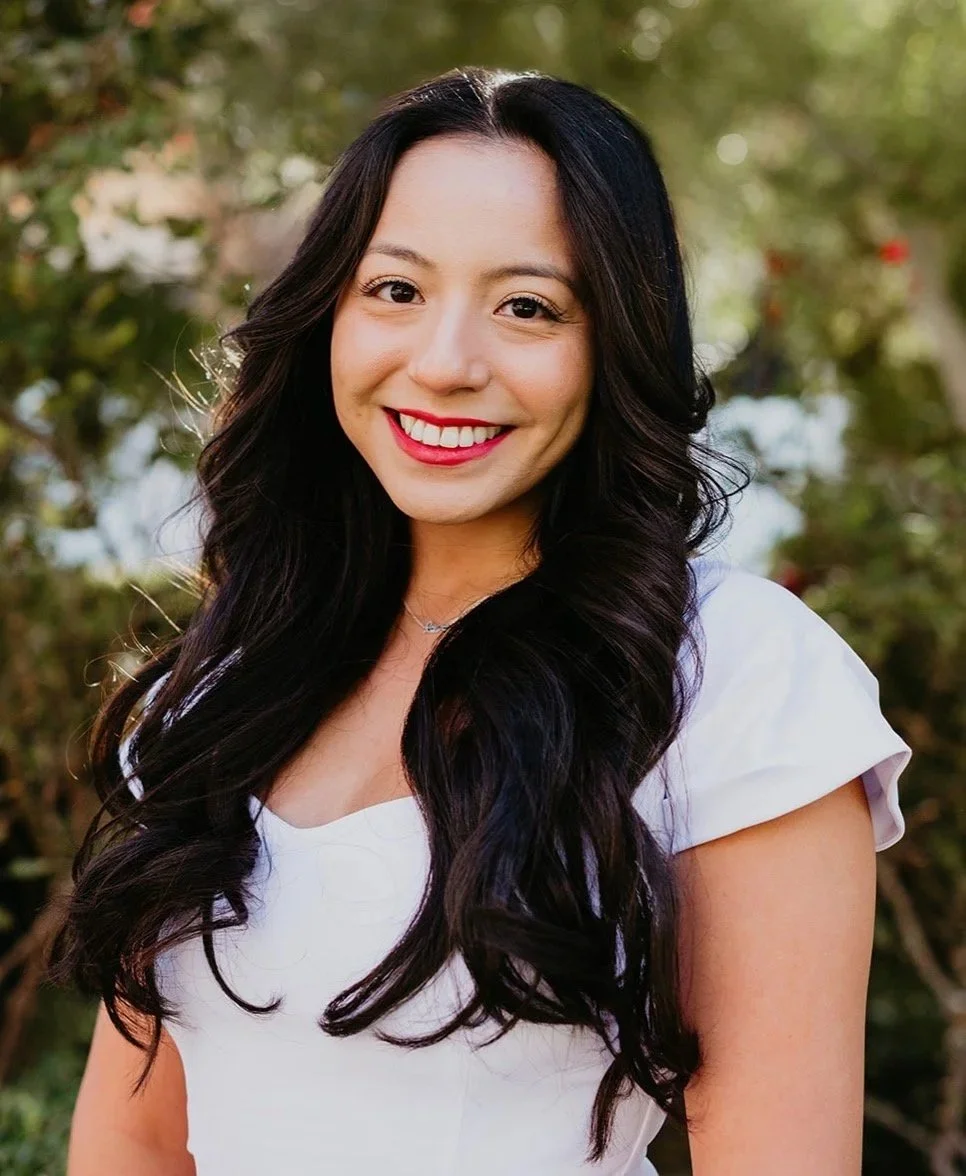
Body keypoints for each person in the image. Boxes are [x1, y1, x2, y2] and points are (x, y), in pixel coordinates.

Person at [49, 67, 912, 1175]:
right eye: (395, 291)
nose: (446, 364)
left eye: (528, 307)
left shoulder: (734, 674)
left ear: (616, 347)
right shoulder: (230, 679)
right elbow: (134, 1140)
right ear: (327, 318)